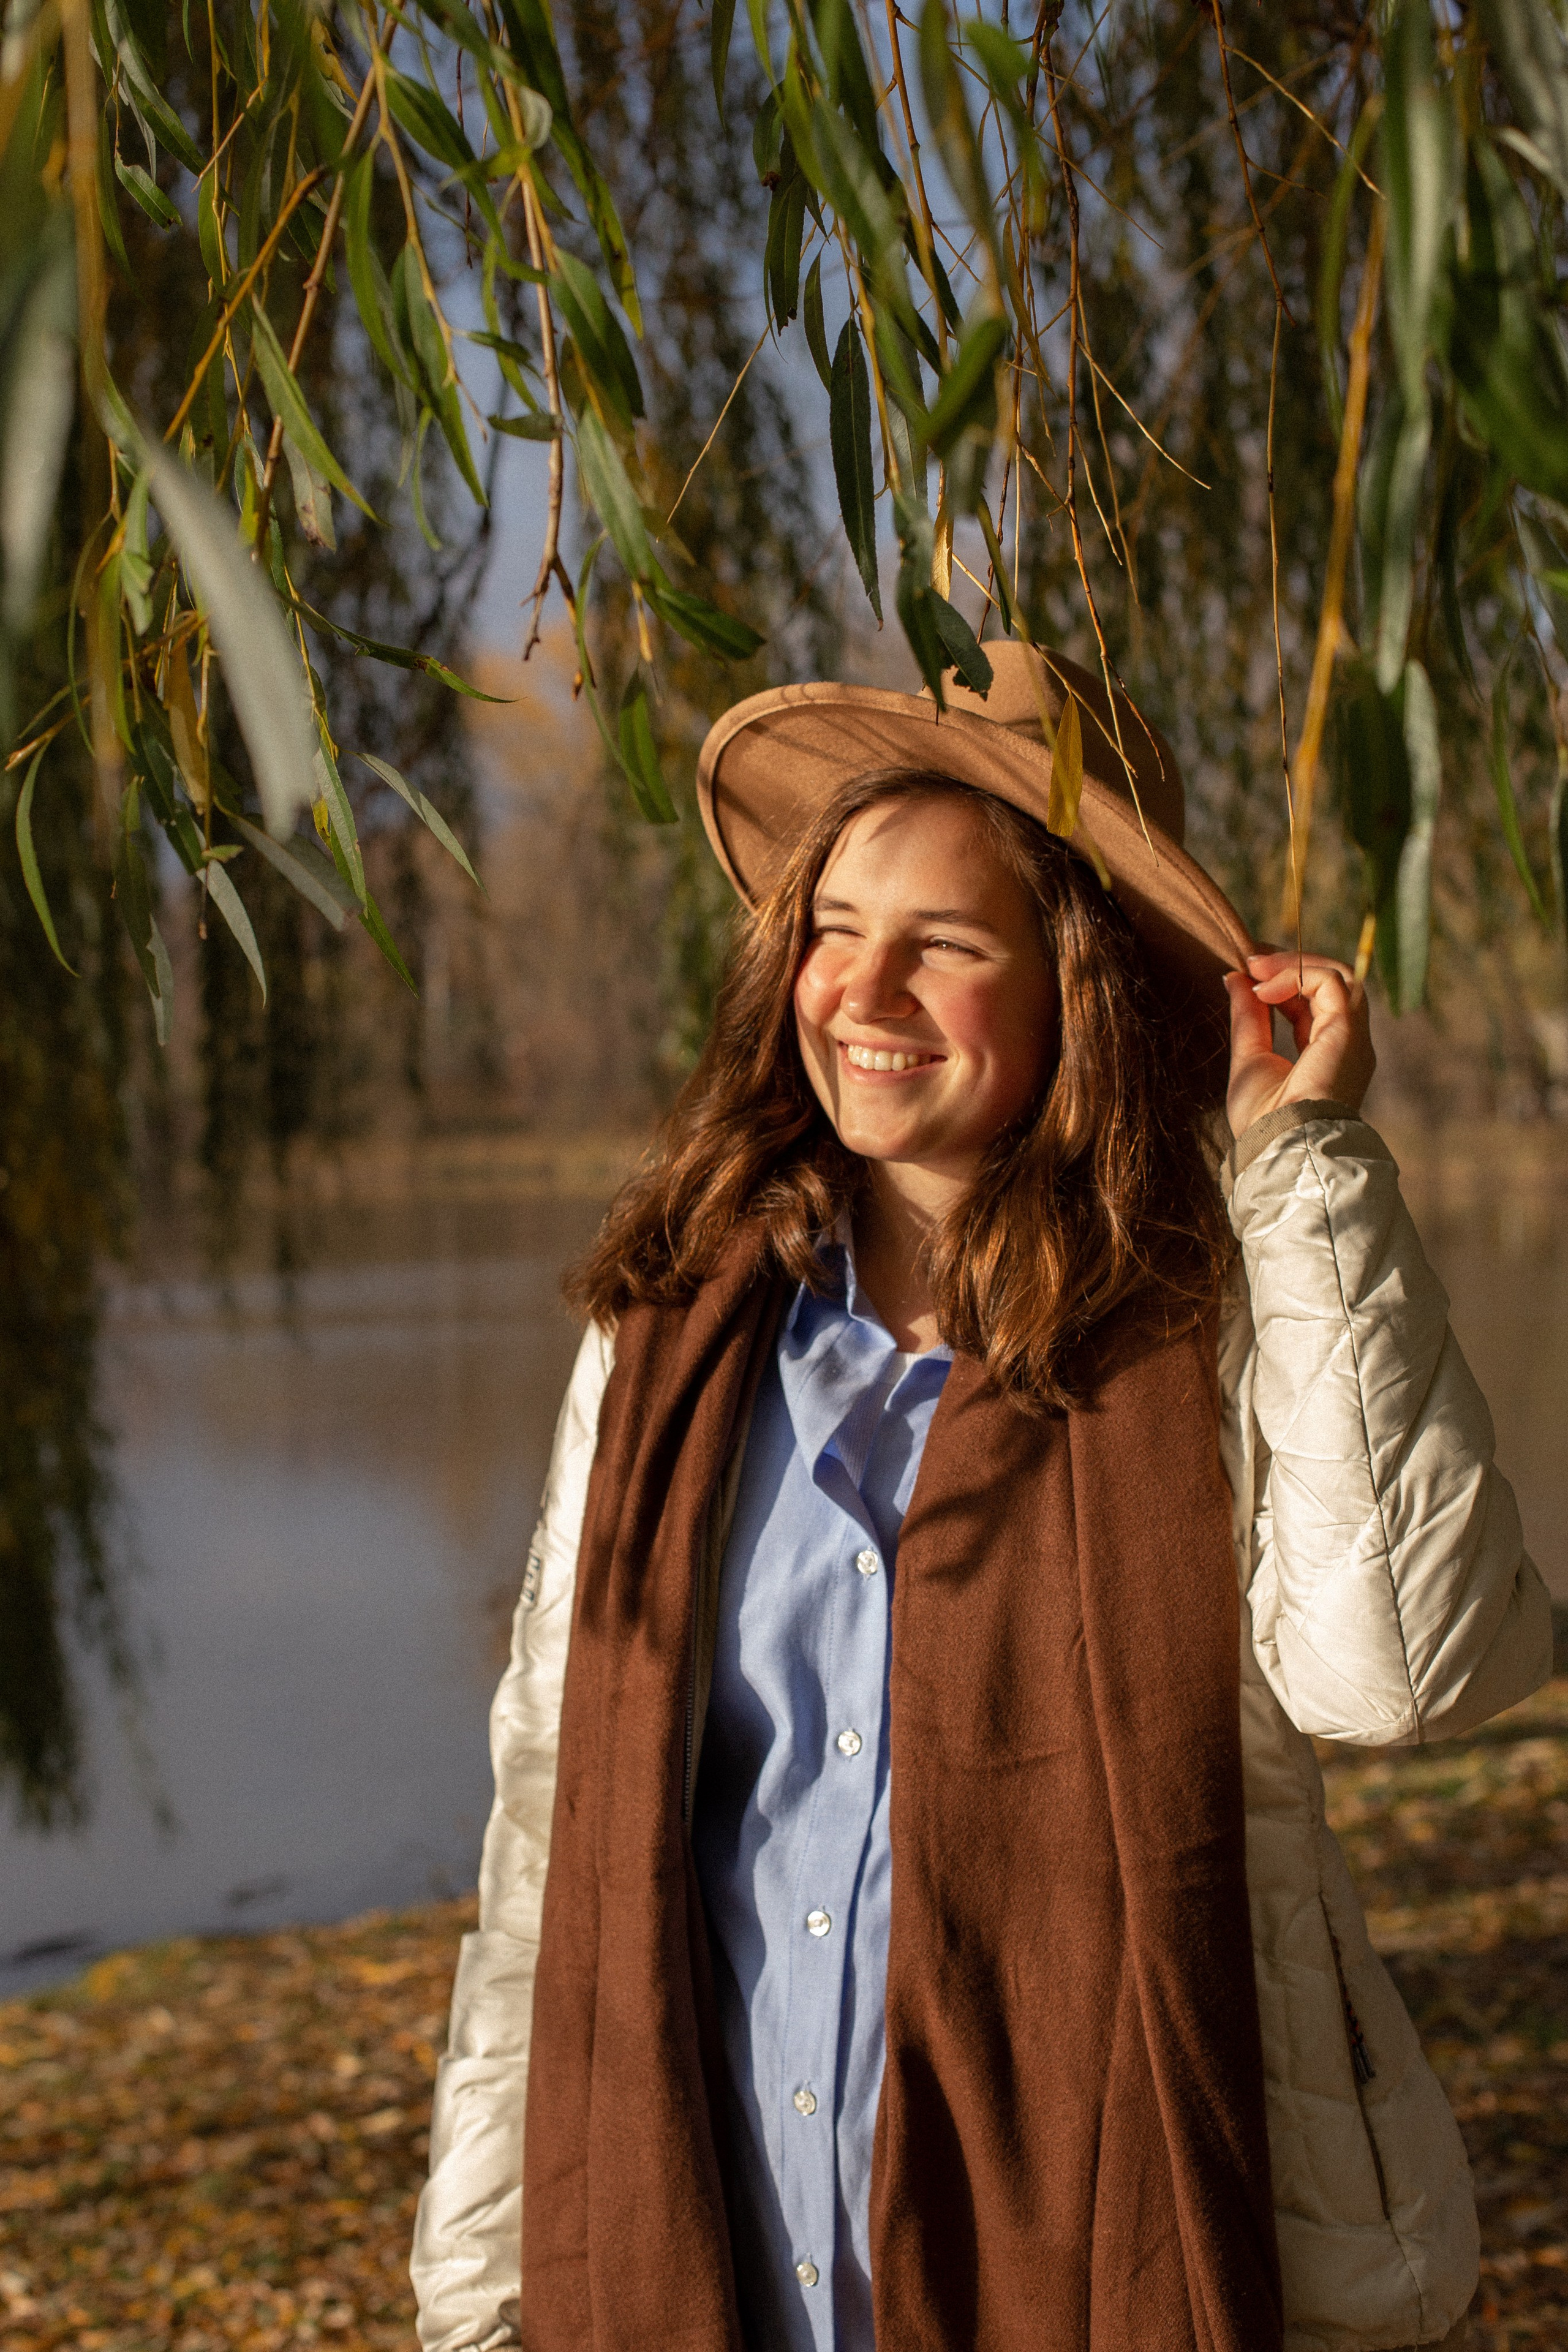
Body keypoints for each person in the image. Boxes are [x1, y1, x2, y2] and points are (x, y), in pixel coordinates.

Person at [411, 644, 1551, 2352]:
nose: (863, 992)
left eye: (943, 945)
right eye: (834, 927)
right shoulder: (669, 1345)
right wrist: (481, 2273)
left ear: (1075, 986)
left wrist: (1306, 1172)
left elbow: (1401, 1672)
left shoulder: (1221, 1322)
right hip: (719, 2267)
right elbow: (552, 1812)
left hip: (1130, 2269)